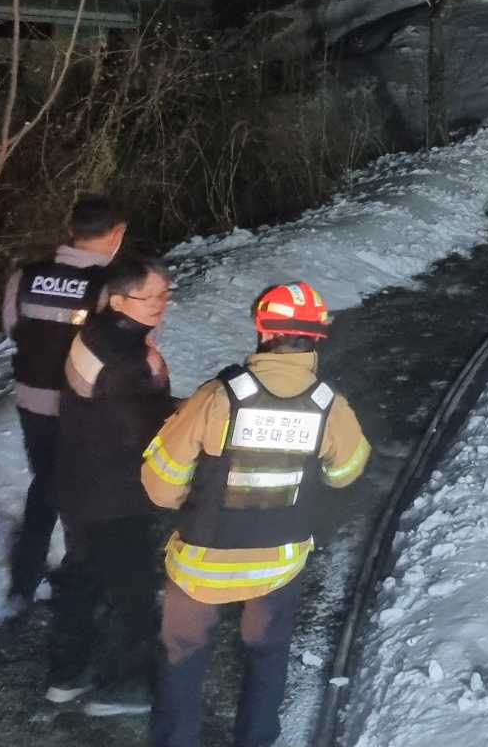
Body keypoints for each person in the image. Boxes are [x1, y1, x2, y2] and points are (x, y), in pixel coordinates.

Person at [142, 281, 370, 747]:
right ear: (316, 336)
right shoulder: (329, 405)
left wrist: (195, 496)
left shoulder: (218, 397)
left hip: (201, 562)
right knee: (268, 656)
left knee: (182, 657)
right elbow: (345, 472)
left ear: (263, 330)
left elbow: (160, 486)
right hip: (278, 564)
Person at [46, 253, 175, 715]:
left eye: (166, 293)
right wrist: (186, 411)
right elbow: (141, 430)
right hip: (115, 494)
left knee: (84, 580)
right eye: (150, 296)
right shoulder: (126, 358)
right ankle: (123, 687)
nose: (161, 302)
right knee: (131, 591)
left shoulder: (94, 333)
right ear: (119, 300)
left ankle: (68, 674)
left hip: (78, 483)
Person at [2, 193, 128, 606]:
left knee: (48, 482)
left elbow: (12, 328)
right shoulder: (112, 286)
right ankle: (72, 577)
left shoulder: (25, 276)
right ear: (117, 233)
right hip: (86, 407)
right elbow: (121, 353)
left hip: (32, 401)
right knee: (79, 487)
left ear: (71, 230)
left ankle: (29, 578)